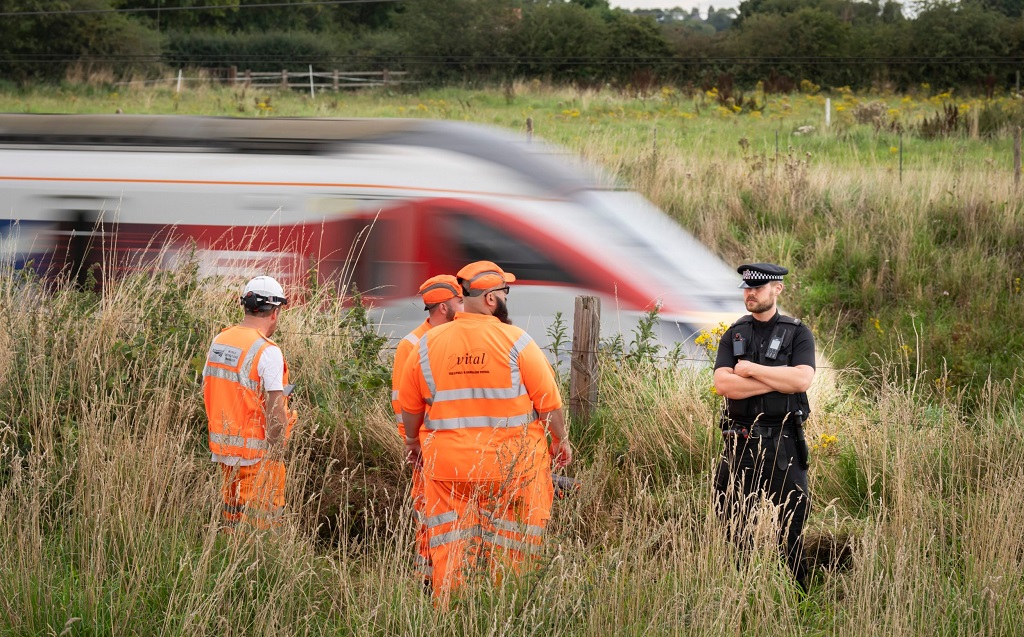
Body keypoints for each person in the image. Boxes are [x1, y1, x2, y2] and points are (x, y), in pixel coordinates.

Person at [398, 260, 572, 601]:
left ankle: (450, 614)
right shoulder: (517, 341)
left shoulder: (427, 344)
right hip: (513, 467)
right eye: (504, 292)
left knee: (451, 544)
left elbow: (410, 406)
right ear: (492, 299)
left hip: (448, 469)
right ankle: (502, 609)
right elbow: (549, 404)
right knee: (513, 544)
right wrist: (560, 441)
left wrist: (411, 442)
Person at [712, 262, 815, 589]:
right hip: (738, 444)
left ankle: (801, 601)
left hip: (783, 444)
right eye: (746, 288)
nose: (750, 293)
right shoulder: (734, 333)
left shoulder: (797, 332)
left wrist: (753, 370)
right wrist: (776, 381)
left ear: (777, 289)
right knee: (734, 529)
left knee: (793, 529)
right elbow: (724, 385)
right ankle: (739, 598)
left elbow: (801, 379)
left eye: (757, 287)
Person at [203, 275, 295, 532]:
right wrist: (278, 448)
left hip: (223, 450)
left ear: (245, 305)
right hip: (257, 454)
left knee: (232, 521)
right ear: (275, 312)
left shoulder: (219, 341)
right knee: (260, 529)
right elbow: (276, 408)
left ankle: (228, 564)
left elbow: (209, 387)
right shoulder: (268, 351)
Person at [390, 274, 464, 585]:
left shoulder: (456, 339)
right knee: (428, 513)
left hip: (454, 447)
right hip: (427, 449)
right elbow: (403, 405)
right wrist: (415, 446)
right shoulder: (412, 345)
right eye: (461, 301)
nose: (465, 305)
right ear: (445, 307)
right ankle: (428, 578)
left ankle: (449, 575)